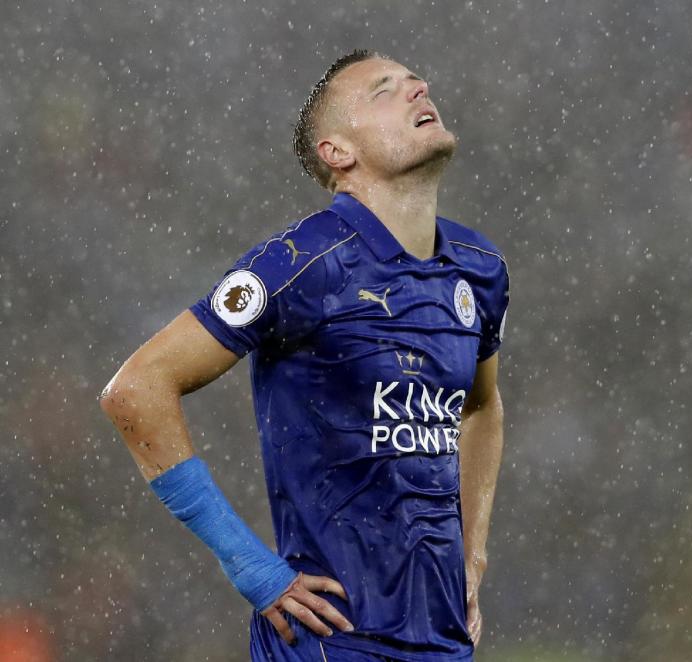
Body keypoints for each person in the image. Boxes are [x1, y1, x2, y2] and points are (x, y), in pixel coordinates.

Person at [98, 49, 509, 662]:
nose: (418, 87)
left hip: (442, 641)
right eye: (384, 90)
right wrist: (251, 567)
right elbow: (135, 389)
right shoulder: (303, 264)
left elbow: (480, 406)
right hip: (328, 641)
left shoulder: (478, 269)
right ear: (338, 153)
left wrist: (471, 555)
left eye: (415, 80)